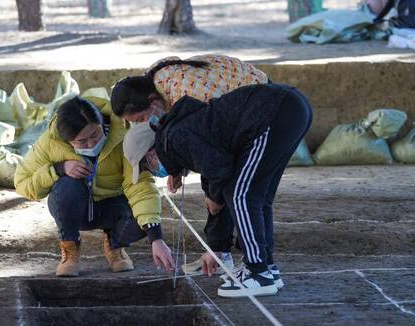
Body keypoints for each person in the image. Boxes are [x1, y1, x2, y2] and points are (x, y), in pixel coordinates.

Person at [123, 83, 313, 298]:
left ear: (150, 154)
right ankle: (266, 267)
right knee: (257, 196)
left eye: (147, 167)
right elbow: (214, 170)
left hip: (272, 113)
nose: (155, 171)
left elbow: (220, 171)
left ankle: (257, 272)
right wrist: (217, 245)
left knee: (240, 195)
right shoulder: (181, 131)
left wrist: (214, 197)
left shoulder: (177, 137)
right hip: (291, 107)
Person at [110, 54, 269, 274]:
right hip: (239, 113)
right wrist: (177, 166)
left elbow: (214, 152)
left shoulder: (184, 92)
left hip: (259, 106)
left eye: (140, 120)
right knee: (221, 185)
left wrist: (212, 194)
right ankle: (221, 254)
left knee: (233, 190)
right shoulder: (158, 87)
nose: (141, 126)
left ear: (152, 102)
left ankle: (253, 266)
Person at [14, 95, 175, 277]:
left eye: (95, 134)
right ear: (67, 140)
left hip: (114, 206)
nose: (91, 143)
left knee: (141, 215)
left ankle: (115, 245)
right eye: (81, 141)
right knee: (67, 186)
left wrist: (157, 238)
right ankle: (70, 247)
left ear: (101, 123)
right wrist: (58, 169)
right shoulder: (51, 142)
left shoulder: (123, 135)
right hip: (77, 208)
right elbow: (22, 183)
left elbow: (139, 185)